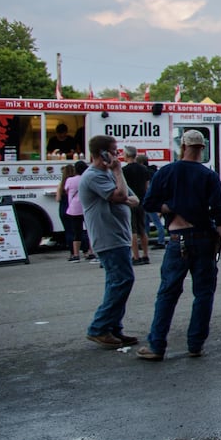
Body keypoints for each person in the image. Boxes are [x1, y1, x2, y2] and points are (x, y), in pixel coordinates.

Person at [135, 129, 221, 360]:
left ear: (183, 146)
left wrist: (169, 208)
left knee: (168, 293)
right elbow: (220, 214)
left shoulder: (166, 172)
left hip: (177, 237)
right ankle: (195, 344)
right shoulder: (209, 176)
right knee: (203, 293)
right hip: (204, 238)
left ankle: (156, 345)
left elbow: (149, 203)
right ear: (202, 148)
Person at [79, 135, 140, 349]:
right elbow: (121, 195)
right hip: (108, 238)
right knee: (122, 281)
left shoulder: (107, 174)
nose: (117, 155)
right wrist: (117, 172)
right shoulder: (94, 176)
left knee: (117, 282)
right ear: (102, 153)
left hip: (119, 236)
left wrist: (121, 190)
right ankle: (99, 327)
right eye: (114, 151)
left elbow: (133, 199)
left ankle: (114, 328)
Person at [121, 147, 152, 265]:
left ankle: (136, 256)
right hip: (142, 201)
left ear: (127, 155)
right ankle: (145, 254)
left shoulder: (124, 170)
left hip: (130, 201)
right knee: (142, 229)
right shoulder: (144, 169)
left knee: (132, 230)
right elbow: (147, 187)